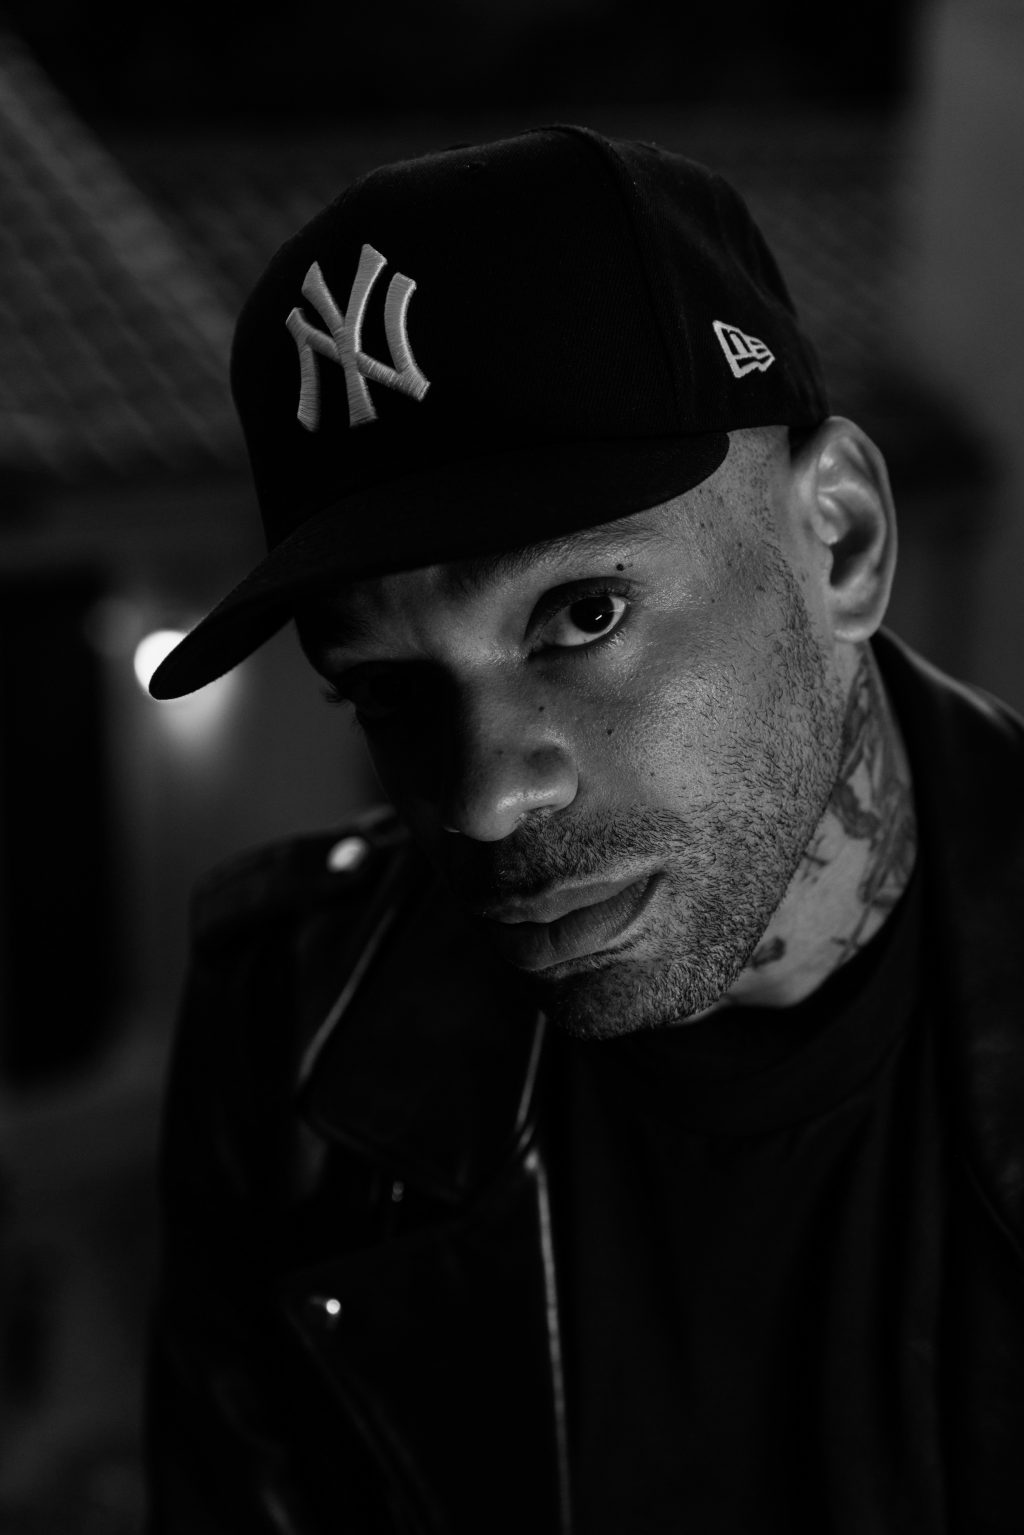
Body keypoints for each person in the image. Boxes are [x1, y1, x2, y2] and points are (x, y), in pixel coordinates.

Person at [144, 126, 1024, 1534]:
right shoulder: (292, 1015)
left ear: (843, 541)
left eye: (583, 614)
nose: (485, 798)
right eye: (390, 692)